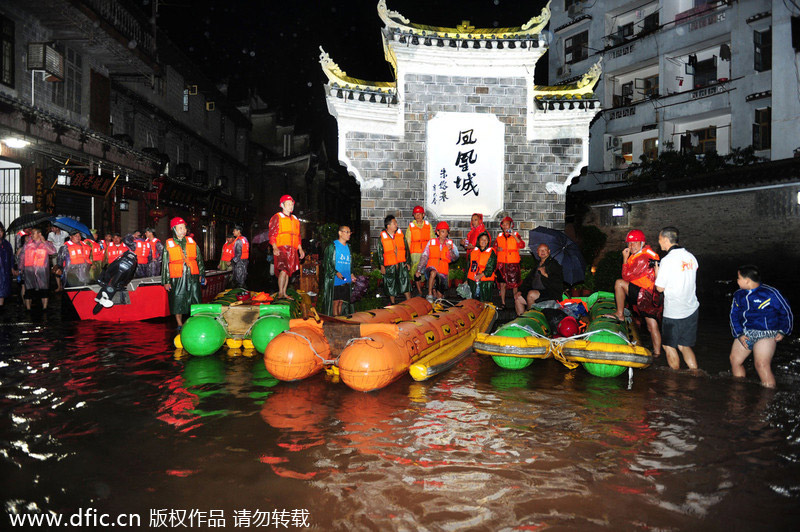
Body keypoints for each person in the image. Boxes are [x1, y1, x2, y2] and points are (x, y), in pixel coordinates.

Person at [729, 265, 793, 388]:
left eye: (738, 278)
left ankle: (767, 399)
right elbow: (734, 315)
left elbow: (786, 311)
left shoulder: (771, 293)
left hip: (767, 334)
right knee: (735, 360)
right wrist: (740, 334)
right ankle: (738, 392)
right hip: (746, 332)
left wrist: (784, 330)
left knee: (761, 364)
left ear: (747, 280)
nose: (737, 280)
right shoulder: (738, 295)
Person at [611, 229, 663, 356]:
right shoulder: (644, 254)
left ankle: (620, 313)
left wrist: (624, 258)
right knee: (652, 326)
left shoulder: (643, 258)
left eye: (635, 243)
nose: (631, 246)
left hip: (644, 295)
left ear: (642, 243)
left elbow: (626, 276)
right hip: (651, 296)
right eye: (629, 243)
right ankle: (657, 353)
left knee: (619, 283)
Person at [654, 226, 699, 370]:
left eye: (660, 240)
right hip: (691, 308)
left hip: (674, 311)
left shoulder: (667, 260)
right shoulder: (691, 257)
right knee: (684, 345)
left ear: (666, 240)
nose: (659, 243)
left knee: (668, 346)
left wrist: (657, 274)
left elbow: (660, 288)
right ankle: (696, 374)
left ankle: (675, 383)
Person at [162, 217, 206, 329]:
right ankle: (179, 323)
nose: (183, 230)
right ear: (174, 229)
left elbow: (199, 260)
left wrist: (202, 275)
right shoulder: (168, 244)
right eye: (180, 228)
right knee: (178, 300)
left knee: (195, 298)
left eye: (184, 227)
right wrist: (166, 281)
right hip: (177, 277)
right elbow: (165, 265)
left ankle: (195, 321)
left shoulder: (192, 242)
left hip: (193, 276)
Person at [268, 195, 305, 299]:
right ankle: (280, 292)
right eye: (288, 204)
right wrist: (274, 247)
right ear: (282, 205)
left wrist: (300, 249)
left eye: (292, 204)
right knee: (283, 270)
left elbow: (298, 236)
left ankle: (284, 292)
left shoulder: (295, 219)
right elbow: (272, 234)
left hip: (292, 249)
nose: (291, 206)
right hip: (282, 248)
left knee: (289, 271)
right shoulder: (277, 217)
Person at [515, 243, 564, 315]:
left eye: (545, 250)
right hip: (535, 291)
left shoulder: (554, 264)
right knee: (518, 298)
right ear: (537, 253)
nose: (543, 252)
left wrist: (545, 274)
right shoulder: (537, 264)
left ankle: (531, 318)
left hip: (548, 293)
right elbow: (528, 280)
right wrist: (520, 291)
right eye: (540, 250)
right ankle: (521, 321)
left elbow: (558, 283)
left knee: (531, 294)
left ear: (549, 251)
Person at [418, 221, 459, 302]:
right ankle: (429, 294)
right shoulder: (431, 242)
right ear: (437, 232)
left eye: (446, 232)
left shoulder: (451, 244)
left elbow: (455, 258)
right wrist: (419, 269)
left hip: (442, 273)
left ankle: (437, 297)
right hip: (431, 269)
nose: (444, 234)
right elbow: (424, 256)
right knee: (433, 273)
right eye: (442, 231)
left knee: (439, 297)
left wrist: (450, 250)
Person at [319, 226, 353, 316]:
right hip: (336, 278)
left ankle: (341, 319)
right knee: (336, 302)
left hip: (346, 278)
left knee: (342, 301)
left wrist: (352, 274)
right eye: (347, 232)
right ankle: (335, 320)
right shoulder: (332, 246)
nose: (349, 234)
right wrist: (335, 272)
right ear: (340, 233)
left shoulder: (349, 247)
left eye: (350, 232)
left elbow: (350, 262)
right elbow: (326, 263)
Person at [20, 228, 56, 310]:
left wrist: (44, 242)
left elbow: (53, 252)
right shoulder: (28, 244)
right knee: (29, 289)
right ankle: (28, 309)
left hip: (42, 271)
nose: (31, 235)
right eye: (31, 233)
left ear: (39, 234)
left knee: (44, 289)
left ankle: (45, 308)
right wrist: (20, 268)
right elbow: (22, 256)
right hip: (29, 270)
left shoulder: (46, 244)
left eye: (33, 233)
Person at [379, 214, 412, 304]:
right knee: (390, 283)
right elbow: (380, 252)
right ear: (388, 226)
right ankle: (392, 303)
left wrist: (408, 262)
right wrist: (382, 265)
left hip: (401, 264)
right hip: (389, 265)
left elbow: (406, 249)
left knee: (405, 281)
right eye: (394, 223)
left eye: (396, 223)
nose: (396, 225)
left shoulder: (400, 235)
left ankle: (410, 302)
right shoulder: (382, 237)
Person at [494, 216, 525, 308]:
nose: (505, 226)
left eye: (507, 224)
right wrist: (497, 249)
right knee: (502, 284)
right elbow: (494, 248)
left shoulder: (516, 234)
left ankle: (516, 303)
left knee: (514, 284)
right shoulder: (499, 236)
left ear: (511, 225)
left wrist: (514, 236)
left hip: (513, 264)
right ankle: (503, 303)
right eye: (503, 224)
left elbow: (522, 245)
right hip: (501, 264)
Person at [406, 205, 431, 295]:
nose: (418, 216)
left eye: (419, 214)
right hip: (414, 252)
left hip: (426, 252)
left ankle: (424, 288)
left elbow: (432, 239)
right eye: (416, 214)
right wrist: (407, 253)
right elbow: (408, 240)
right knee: (416, 270)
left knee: (425, 271)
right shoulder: (411, 226)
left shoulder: (428, 225)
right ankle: (419, 290)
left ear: (423, 215)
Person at [466, 231, 496, 302]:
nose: (484, 241)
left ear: (488, 241)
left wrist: (481, 275)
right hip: (472, 281)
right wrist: (466, 280)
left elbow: (491, 267)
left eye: (486, 239)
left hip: (485, 282)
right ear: (478, 241)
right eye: (482, 239)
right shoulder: (473, 252)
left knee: (484, 302)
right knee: (472, 302)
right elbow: (468, 266)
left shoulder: (491, 253)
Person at [47, 225, 67, 292]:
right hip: (55, 254)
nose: (52, 229)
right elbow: (49, 244)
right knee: (56, 269)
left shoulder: (65, 233)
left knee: (64, 269)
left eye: (53, 228)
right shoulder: (51, 234)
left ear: (57, 227)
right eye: (51, 228)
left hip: (63, 254)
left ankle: (64, 285)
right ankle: (59, 286)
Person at [231, 224, 250, 288]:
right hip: (244, 261)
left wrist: (233, 261)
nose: (233, 232)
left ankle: (241, 294)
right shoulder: (244, 239)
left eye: (234, 231)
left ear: (238, 231)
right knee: (243, 277)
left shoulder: (238, 241)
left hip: (240, 262)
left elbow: (239, 253)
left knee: (239, 280)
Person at [0, 222, 13, 307]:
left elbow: (11, 257)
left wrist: (12, 268)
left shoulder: (6, 244)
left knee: (3, 290)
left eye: (1, 231)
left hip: (4, 271)